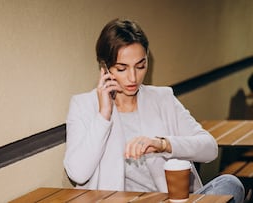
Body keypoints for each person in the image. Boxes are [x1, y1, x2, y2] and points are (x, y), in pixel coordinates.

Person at [63, 18, 245, 203]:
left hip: (172, 200)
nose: (133, 77)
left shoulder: (162, 98)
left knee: (230, 184)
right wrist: (103, 115)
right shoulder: (84, 105)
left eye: (140, 66)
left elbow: (210, 149)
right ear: (105, 68)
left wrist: (163, 144)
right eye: (122, 68)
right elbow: (78, 173)